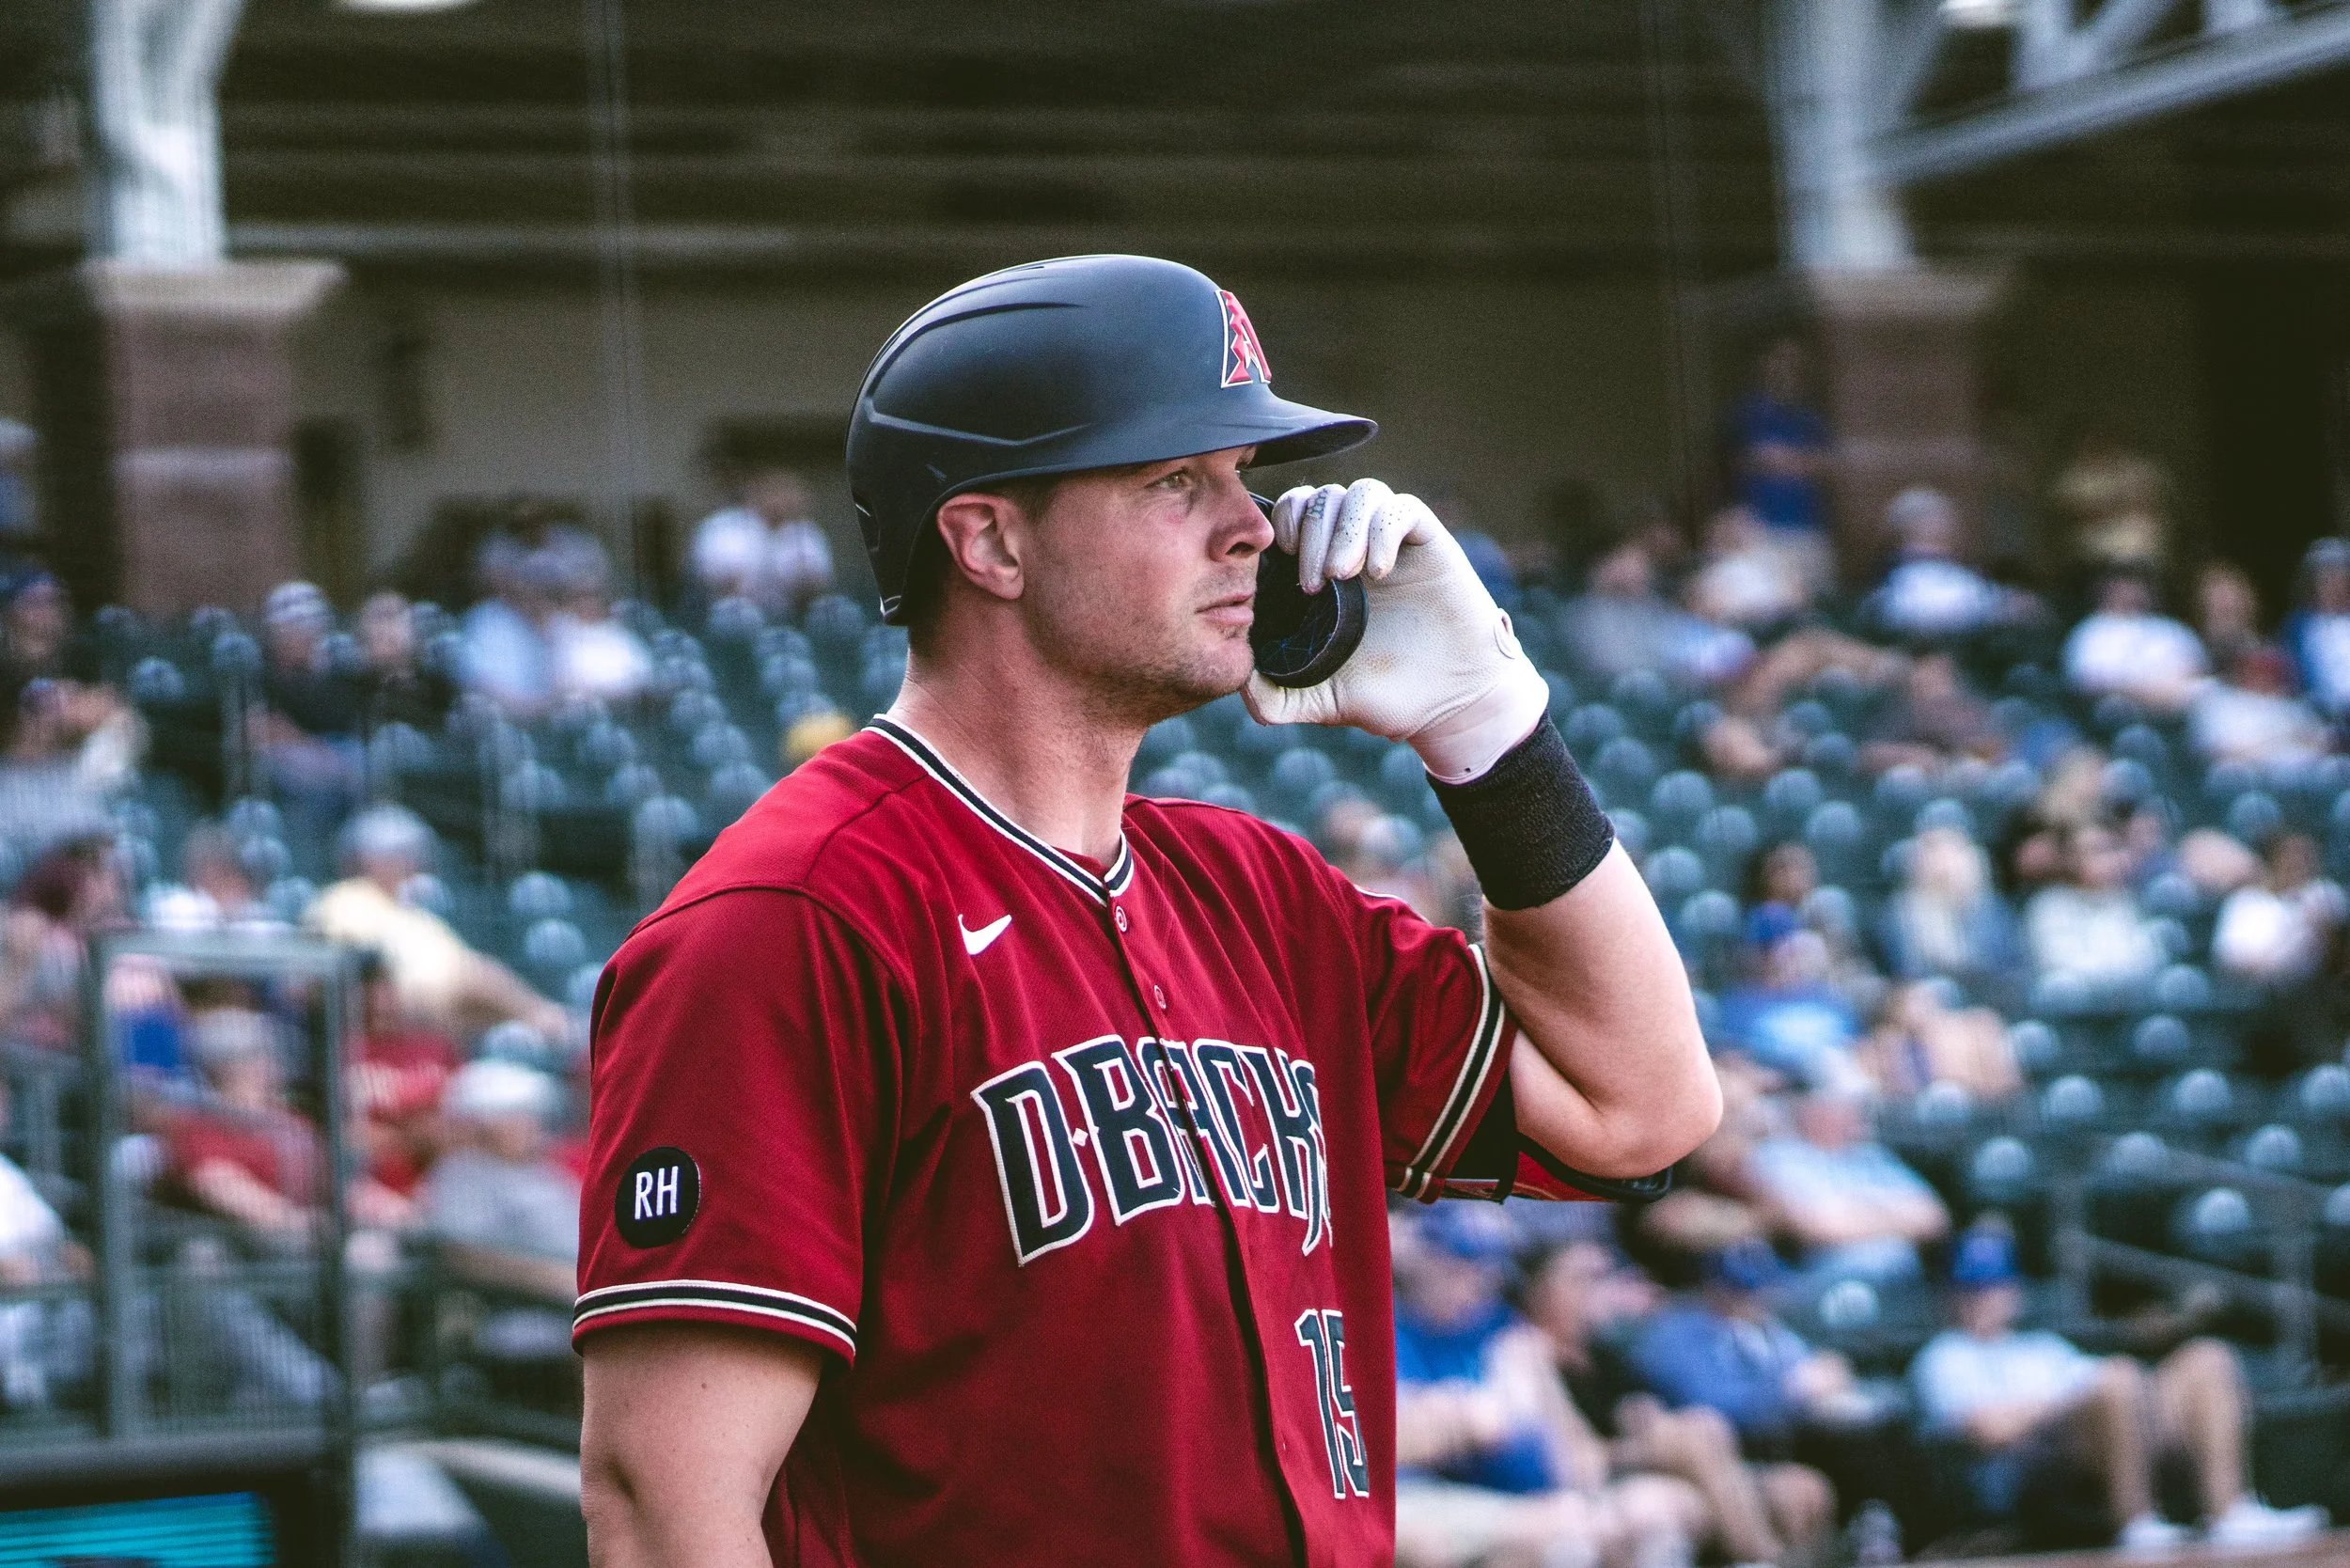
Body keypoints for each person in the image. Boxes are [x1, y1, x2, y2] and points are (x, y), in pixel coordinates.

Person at [575, 256, 1721, 1568]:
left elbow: (1643, 1111)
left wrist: (1492, 731)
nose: (1255, 528)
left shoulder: (1260, 892)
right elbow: (665, 1510)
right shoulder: (791, 921)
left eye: (1244, 478)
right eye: (1177, 481)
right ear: (991, 540)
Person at [1911, 1224, 2326, 1549]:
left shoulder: (2042, 1347)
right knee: (2118, 1380)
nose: (1985, 1299)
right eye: (1972, 1288)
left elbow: (2102, 1386)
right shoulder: (1942, 1356)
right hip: (2029, 1478)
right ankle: (2136, 1522)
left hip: (2097, 1442)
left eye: (1994, 1285)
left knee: (2206, 1358)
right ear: (1950, 1294)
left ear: (2014, 1290)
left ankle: (2230, 1513)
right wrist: (2075, 1399)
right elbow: (1989, 1431)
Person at [1392, 1208, 1704, 1568]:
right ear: (1422, 1261)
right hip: (1424, 1496)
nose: (1477, 1282)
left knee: (1658, 1509)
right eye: (1460, 1264)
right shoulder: (1386, 1328)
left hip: (1522, 1497)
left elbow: (1570, 1462)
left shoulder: (1504, 1334)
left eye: (1487, 1269)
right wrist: (1462, 1421)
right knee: (1559, 1537)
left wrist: (1529, 1411)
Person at [1528, 1242, 1835, 1568]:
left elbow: (1636, 1415)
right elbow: (1574, 1456)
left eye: (1604, 1278)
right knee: (1699, 1430)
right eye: (1584, 1279)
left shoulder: (1603, 1353)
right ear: (1540, 1291)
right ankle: (1760, 1557)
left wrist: (1646, 1421)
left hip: (1637, 1458)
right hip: (1587, 1473)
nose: (1600, 1290)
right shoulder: (1532, 1353)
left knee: (1799, 1488)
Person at [307, 806, 572, 1043]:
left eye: (411, 853)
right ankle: (549, 1020)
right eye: (398, 854)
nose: (411, 863)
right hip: (386, 1007)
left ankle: (549, 1024)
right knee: (478, 976)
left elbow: (457, 964)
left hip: (444, 1015)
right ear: (368, 858)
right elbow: (345, 961)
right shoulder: (344, 897)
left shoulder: (413, 912)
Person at [1628, 1241, 1872, 1451]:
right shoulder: (1676, 1333)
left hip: (1776, 1443)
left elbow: (1809, 1368)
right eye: (1744, 1292)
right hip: (1718, 1448)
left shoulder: (1767, 1327)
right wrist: (1786, 1392)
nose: (1760, 1301)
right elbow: (1707, 1405)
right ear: (1716, 1288)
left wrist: (1828, 1373)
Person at [1746, 1087, 1949, 1285]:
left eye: (1847, 1107)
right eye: (1830, 1107)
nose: (1843, 1116)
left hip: (1900, 1285)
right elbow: (1814, 1225)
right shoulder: (1779, 1154)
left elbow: (1933, 1218)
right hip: (1823, 1287)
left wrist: (1850, 1213)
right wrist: (1889, 1214)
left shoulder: (1871, 1156)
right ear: (1807, 1110)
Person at [421, 1059, 577, 1302]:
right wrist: (562, 1280)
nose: (533, 1125)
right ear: (485, 1123)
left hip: (576, 1316)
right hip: (515, 1321)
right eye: (519, 1115)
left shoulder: (548, 1174)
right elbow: (466, 1255)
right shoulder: (463, 1174)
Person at [252, 582, 367, 850]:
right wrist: (320, 756)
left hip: (340, 754)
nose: (303, 636)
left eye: (310, 627)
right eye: (292, 629)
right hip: (290, 758)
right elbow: (261, 727)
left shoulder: (337, 671)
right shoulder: (262, 674)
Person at [1723, 339, 1831, 591]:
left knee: (1813, 592)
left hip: (1807, 525)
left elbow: (1826, 465)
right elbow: (1734, 461)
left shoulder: (1809, 418)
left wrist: (1784, 460)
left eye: (1794, 367)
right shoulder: (1748, 415)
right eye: (1780, 365)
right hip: (1761, 527)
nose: (1786, 372)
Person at [1876, 825, 2023, 1002]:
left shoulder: (1990, 909)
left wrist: (1967, 905)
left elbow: (2004, 966)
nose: (1946, 866)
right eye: (1936, 855)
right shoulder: (1900, 914)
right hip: (1930, 1002)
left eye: (1954, 854)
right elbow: (1908, 971)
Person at [2023, 823, 2167, 996]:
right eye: (2096, 851)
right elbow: (2059, 964)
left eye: (2112, 850)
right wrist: (2113, 972)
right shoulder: (2049, 905)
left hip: (2128, 998)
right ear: (2071, 859)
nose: (2108, 860)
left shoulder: (2127, 901)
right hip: (2074, 1008)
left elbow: (2144, 959)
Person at [689, 467, 835, 618]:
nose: (783, 499)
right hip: (732, 615)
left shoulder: (806, 532)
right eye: (776, 490)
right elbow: (719, 583)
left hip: (789, 618)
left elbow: (819, 585)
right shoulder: (722, 526)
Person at [2060, 571, 2207, 713]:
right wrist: (2144, 693)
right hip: (2121, 712)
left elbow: (2197, 670)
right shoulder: (2089, 631)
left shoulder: (2170, 627)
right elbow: (2085, 682)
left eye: (2135, 585)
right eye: (2122, 586)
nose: (2129, 592)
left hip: (2179, 706)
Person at [2212, 831, 2344, 988]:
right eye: (2288, 857)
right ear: (2271, 861)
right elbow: (2233, 962)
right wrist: (2293, 929)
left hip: (2321, 993)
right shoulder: (2245, 902)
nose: (2297, 863)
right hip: (2263, 997)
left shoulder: (2327, 894)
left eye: (2304, 857)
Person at [2282, 537, 2350, 721]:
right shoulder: (2300, 627)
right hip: (2320, 715)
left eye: (2340, 576)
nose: (2335, 585)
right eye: (2326, 577)